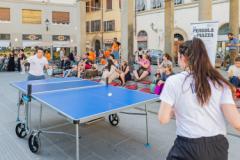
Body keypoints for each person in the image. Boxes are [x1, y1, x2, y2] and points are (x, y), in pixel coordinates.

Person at [158, 38, 240, 160]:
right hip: (217, 147)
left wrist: (174, 111)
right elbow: (236, 123)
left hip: (187, 146)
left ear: (182, 57)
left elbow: (163, 119)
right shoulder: (220, 82)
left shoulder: (173, 81)